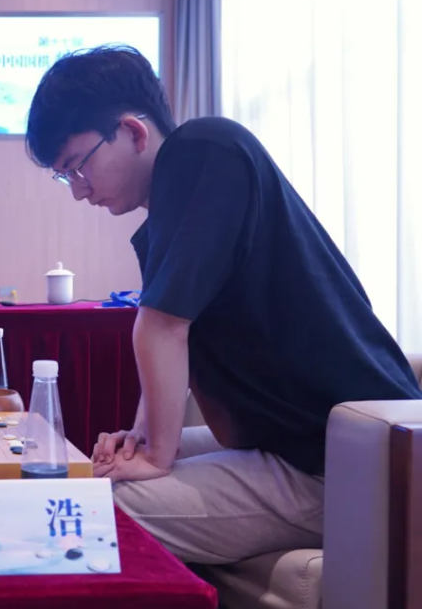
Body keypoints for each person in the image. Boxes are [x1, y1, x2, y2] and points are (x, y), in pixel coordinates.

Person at [25, 46, 422, 565]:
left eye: (77, 167)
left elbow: (160, 328)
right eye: (65, 177)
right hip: (296, 440)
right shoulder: (175, 203)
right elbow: (175, 336)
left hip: (348, 461)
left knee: (97, 510)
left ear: (133, 132)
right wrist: (142, 437)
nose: (79, 192)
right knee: (93, 475)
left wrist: (157, 455)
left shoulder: (204, 150)